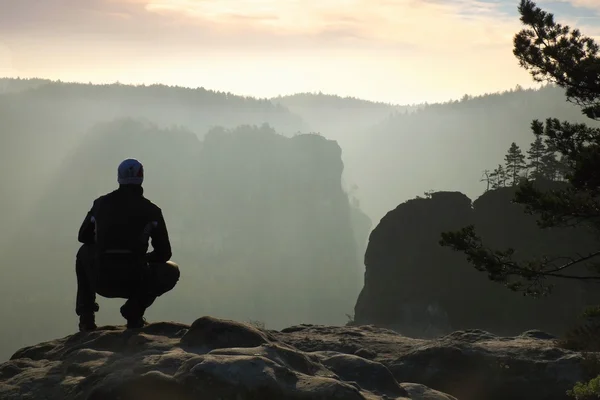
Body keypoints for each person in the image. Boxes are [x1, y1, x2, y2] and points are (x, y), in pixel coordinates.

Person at [75, 158, 180, 331]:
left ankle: (86, 318)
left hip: (102, 279)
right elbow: (164, 253)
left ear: (119, 178)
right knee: (171, 270)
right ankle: (134, 311)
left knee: (83, 252)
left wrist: (104, 246)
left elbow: (83, 236)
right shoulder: (152, 211)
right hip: (135, 280)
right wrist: (142, 258)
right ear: (141, 177)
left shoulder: (100, 204)